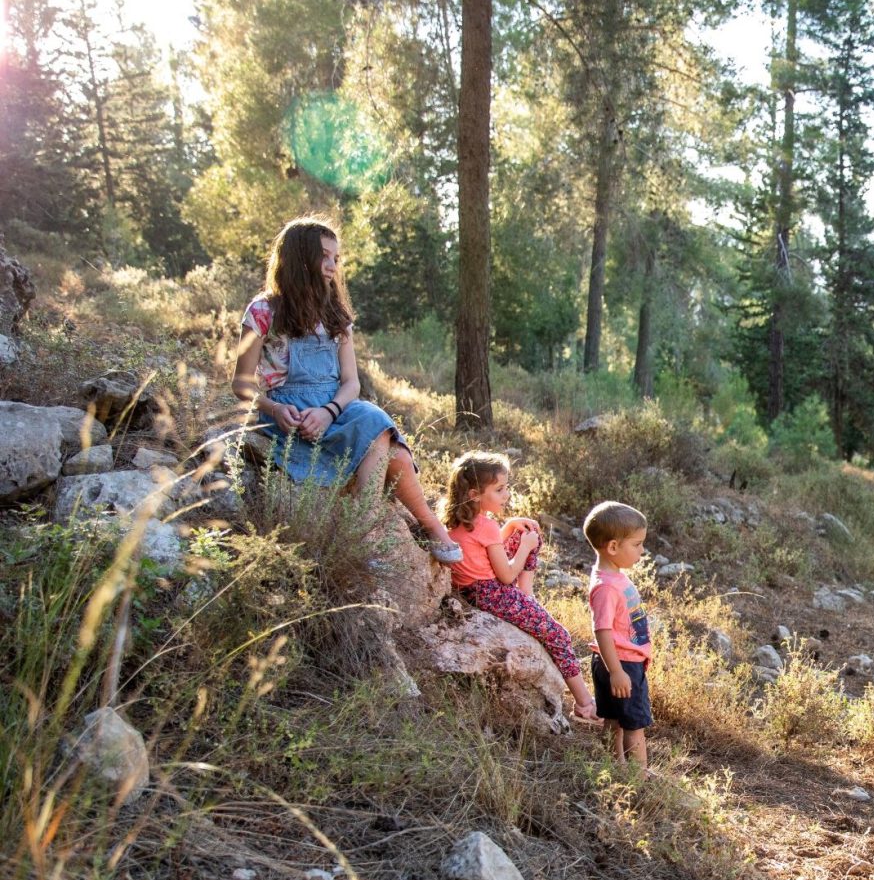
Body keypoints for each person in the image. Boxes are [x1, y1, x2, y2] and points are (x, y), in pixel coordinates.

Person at [231, 217, 462, 564]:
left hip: (334, 409)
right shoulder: (263, 310)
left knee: (375, 420)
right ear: (298, 257)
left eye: (336, 259)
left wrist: (329, 412)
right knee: (387, 445)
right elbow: (241, 383)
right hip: (287, 416)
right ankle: (430, 529)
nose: (331, 266)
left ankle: (368, 526)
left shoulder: (335, 312)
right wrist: (276, 410)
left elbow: (351, 383)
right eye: (324, 256)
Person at [442, 451, 598, 722]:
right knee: (558, 635)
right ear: (475, 494)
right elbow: (505, 575)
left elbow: (482, 550)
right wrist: (525, 547)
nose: (506, 495)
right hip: (493, 592)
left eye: (506, 487)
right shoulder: (487, 525)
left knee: (524, 531)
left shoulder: (457, 520)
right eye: (499, 489)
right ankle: (585, 705)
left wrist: (510, 528)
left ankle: (527, 599)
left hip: (477, 590)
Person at [583, 501, 653, 767]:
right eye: (636, 544)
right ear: (613, 547)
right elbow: (601, 630)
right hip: (620, 663)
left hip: (617, 661)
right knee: (634, 725)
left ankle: (613, 768)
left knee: (614, 720)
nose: (642, 550)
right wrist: (616, 671)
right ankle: (639, 782)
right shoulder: (607, 586)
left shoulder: (610, 575)